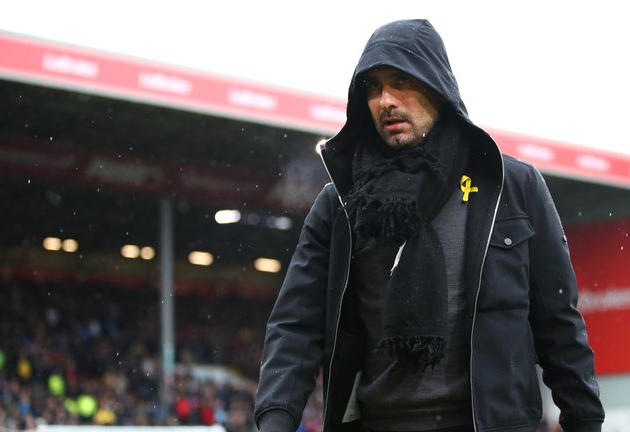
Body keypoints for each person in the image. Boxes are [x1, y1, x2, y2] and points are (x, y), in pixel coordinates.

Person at [254, 19, 605, 432]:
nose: (385, 100)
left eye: (400, 80)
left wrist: (585, 420)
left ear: (436, 85)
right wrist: (274, 421)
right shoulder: (340, 205)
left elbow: (559, 325)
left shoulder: (512, 187)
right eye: (372, 87)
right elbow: (295, 327)